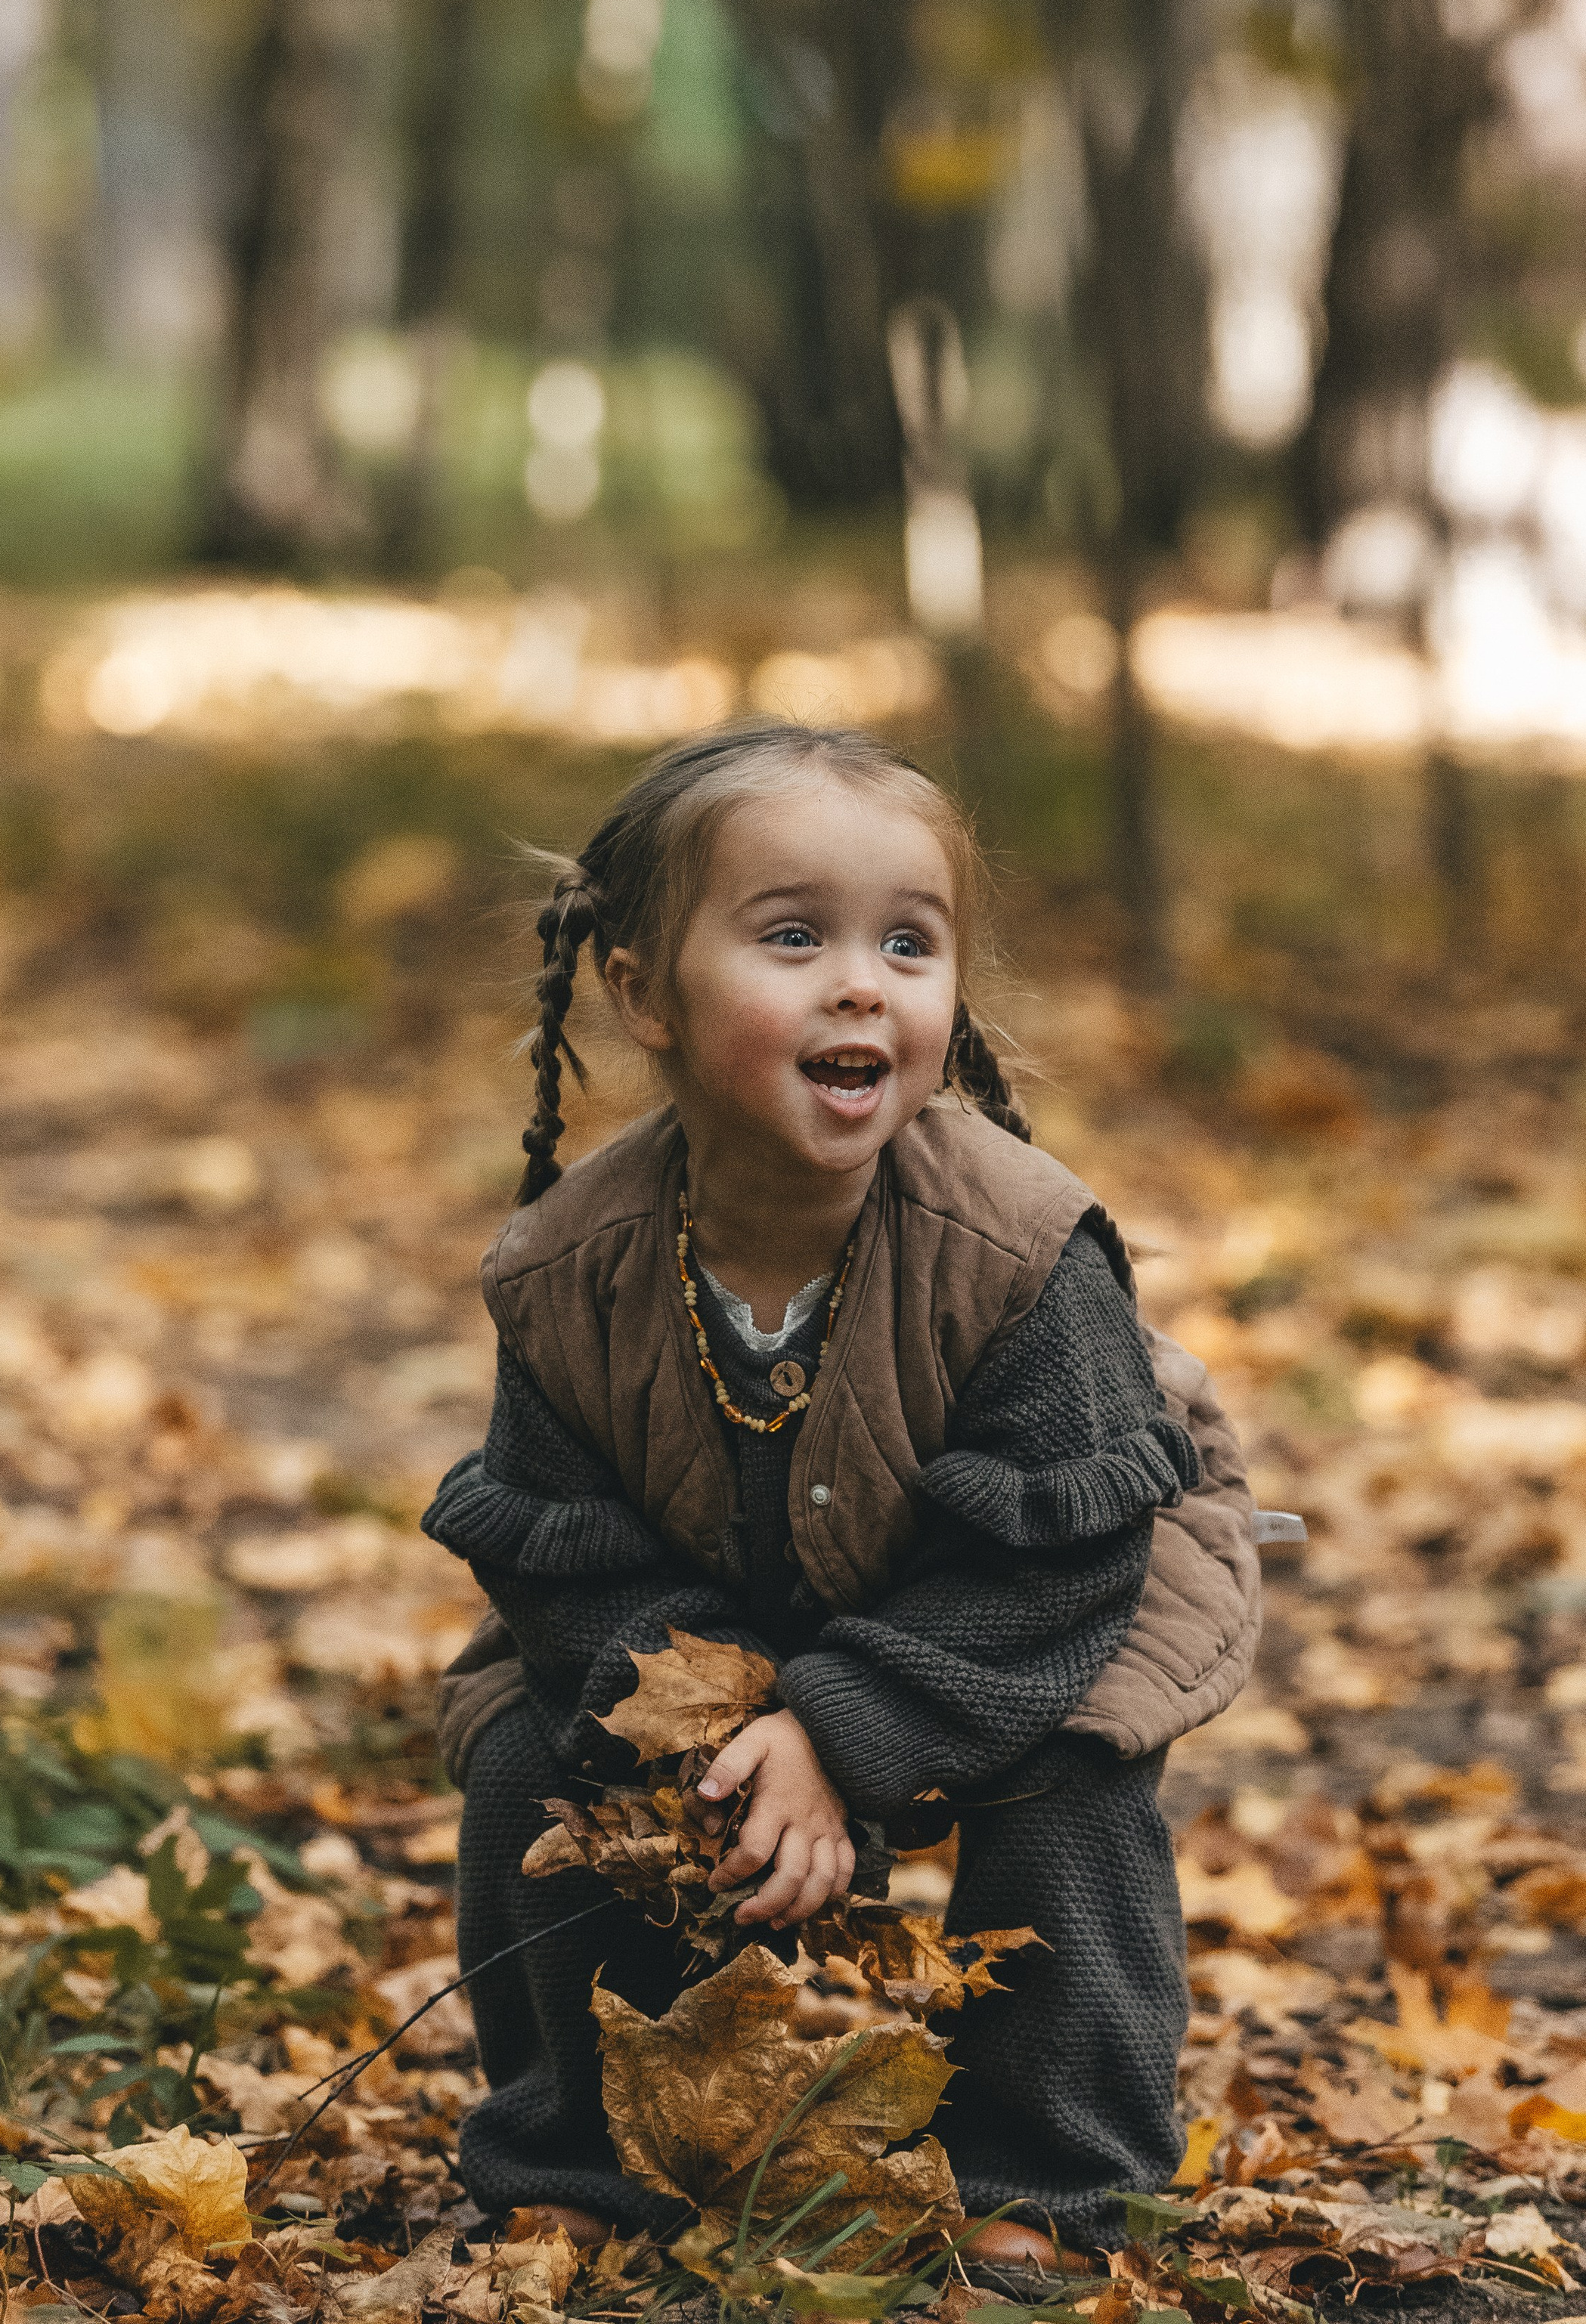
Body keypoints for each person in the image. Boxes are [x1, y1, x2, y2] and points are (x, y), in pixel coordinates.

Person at [423, 722, 1261, 2274]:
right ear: (639, 991)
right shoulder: (567, 1270)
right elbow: (554, 1555)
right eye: (792, 936)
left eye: (906, 943)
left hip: (1042, 1588)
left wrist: (837, 1733)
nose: (860, 982)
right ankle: (581, 2154)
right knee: (525, 1757)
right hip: (710, 1604)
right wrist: (713, 1723)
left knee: (1067, 1788)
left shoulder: (1018, 1249)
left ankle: (1053, 2182)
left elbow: (1055, 1570)